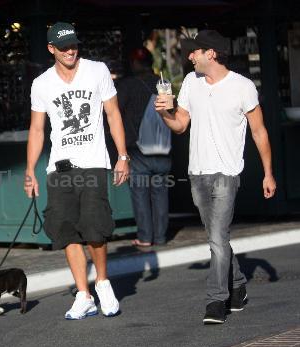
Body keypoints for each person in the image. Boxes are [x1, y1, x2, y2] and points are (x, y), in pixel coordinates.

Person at [155, 30, 276, 324]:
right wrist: (164, 113)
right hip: (197, 172)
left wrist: (268, 173)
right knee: (217, 238)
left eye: (194, 51)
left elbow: (259, 131)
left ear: (211, 53)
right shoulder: (190, 85)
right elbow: (181, 124)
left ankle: (216, 301)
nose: (190, 56)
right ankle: (238, 287)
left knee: (217, 238)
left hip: (226, 172)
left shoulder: (242, 87)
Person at [24, 22, 129, 320]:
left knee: (95, 226)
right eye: (64, 46)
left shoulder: (97, 71)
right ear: (51, 49)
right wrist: (30, 169)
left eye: (74, 45)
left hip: (94, 162)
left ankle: (103, 283)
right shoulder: (41, 83)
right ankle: (84, 295)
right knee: (66, 228)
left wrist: (123, 156)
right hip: (59, 167)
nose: (71, 51)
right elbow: (37, 129)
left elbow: (113, 114)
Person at [117, 47, 171, 247]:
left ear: (135, 64)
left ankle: (146, 236)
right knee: (160, 194)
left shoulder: (128, 85)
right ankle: (161, 236)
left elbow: (115, 112)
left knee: (140, 193)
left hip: (138, 149)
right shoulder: (163, 83)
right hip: (163, 147)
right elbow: (170, 110)